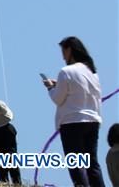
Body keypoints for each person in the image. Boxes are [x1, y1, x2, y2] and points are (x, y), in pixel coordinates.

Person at [42, 36, 104, 187]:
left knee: (75, 163)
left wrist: (51, 87)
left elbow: (58, 98)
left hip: (72, 122)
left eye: (63, 51)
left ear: (69, 50)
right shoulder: (92, 72)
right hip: (93, 121)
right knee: (92, 163)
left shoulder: (66, 71)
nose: (63, 56)